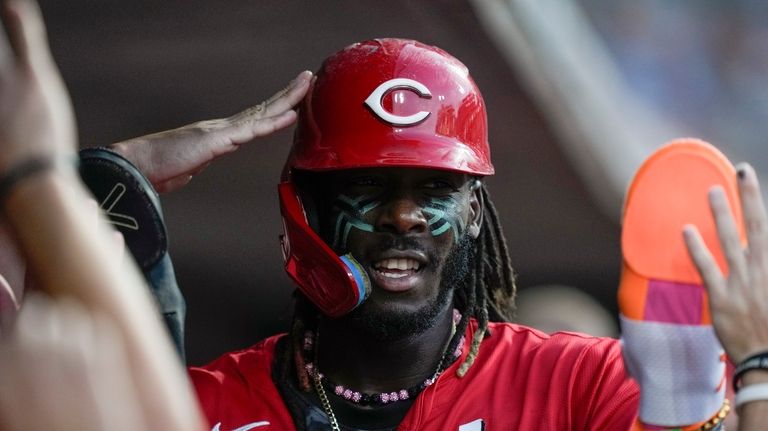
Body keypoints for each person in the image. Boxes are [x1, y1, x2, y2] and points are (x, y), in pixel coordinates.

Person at [2, 2, 768, 429]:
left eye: (435, 190)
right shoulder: (199, 405)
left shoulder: (574, 383)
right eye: (367, 186)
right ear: (303, 206)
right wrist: (98, 182)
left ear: (474, 215)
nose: (404, 215)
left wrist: (753, 372)